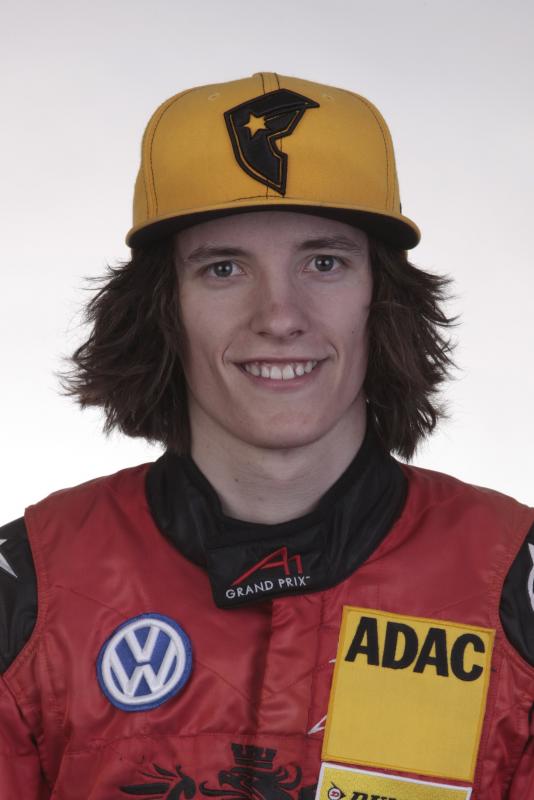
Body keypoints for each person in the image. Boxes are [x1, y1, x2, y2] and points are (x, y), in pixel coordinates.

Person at [0, 72, 532, 800]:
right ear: (162, 309)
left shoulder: (512, 583)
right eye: (224, 268)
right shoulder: (29, 588)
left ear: (383, 298)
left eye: (324, 263)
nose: (280, 315)